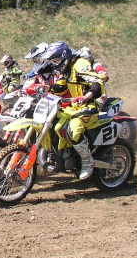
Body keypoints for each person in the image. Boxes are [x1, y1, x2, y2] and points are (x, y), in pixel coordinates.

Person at [42, 42, 105, 180]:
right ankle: (59, 154)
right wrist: (47, 89)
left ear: (64, 56)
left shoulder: (80, 64)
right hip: (74, 106)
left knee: (73, 130)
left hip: (90, 104)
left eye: (56, 60)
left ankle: (87, 161)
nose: (55, 64)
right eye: (53, 61)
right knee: (54, 123)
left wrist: (87, 96)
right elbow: (62, 87)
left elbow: (97, 83)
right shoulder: (67, 68)